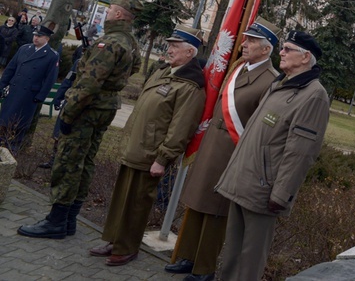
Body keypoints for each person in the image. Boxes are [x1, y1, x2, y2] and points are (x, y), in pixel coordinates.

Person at [17, 0, 142, 241]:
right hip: (104, 108)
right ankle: (69, 219)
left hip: (87, 109)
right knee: (85, 161)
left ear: (118, 14)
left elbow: (88, 84)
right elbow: (133, 69)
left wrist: (68, 114)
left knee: (68, 160)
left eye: (110, 10)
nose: (106, 14)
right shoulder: (130, 43)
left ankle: (56, 221)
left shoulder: (110, 43)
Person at [166, 18, 279, 280]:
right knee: (197, 202)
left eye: (252, 41)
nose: (245, 43)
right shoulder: (239, 66)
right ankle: (187, 256)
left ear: (266, 49)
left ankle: (204, 268)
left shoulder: (270, 80)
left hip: (231, 152)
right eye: (246, 39)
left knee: (216, 211)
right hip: (211, 147)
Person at [215, 30, 330, 280]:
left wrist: (281, 194)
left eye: (289, 49)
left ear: (305, 57)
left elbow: (300, 152)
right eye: (283, 48)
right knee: (232, 254)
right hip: (243, 181)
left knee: (250, 261)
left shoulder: (313, 95)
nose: (282, 52)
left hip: (264, 191)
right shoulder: (280, 83)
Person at [88, 25, 206, 267]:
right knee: (123, 198)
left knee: (137, 202)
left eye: (175, 46)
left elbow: (180, 128)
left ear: (190, 53)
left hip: (152, 153)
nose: (169, 49)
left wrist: (163, 159)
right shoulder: (164, 71)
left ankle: (127, 248)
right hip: (136, 146)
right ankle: (114, 239)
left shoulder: (190, 85)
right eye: (170, 44)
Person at [0, 24, 59, 154]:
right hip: (14, 90)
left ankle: (13, 148)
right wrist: (2, 85)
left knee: (21, 123)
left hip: (29, 95)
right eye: (35, 35)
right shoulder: (24, 49)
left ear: (47, 39)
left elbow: (50, 79)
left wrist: (40, 96)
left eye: (39, 36)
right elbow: (10, 69)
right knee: (4, 118)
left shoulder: (51, 55)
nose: (35, 38)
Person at [38, 44, 86, 169]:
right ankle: (54, 160)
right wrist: (58, 98)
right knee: (58, 132)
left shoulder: (98, 66)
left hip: (84, 106)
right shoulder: (78, 63)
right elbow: (67, 81)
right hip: (69, 102)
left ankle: (66, 164)